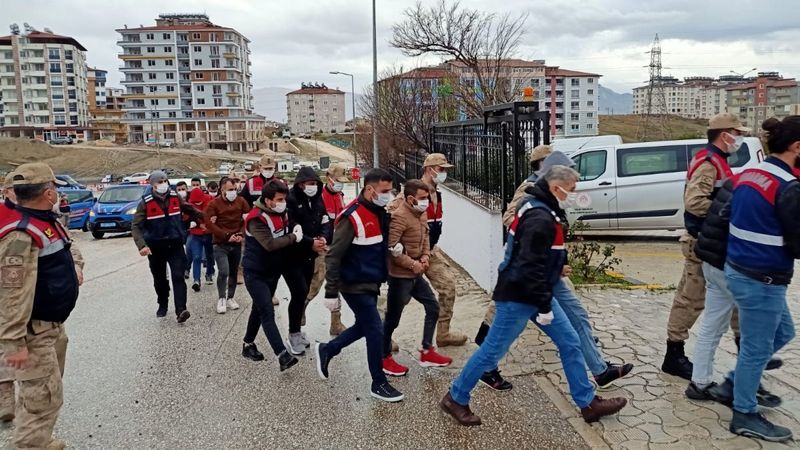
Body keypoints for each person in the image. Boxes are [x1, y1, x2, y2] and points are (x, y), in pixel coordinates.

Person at [440, 166, 627, 426]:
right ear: (555, 187)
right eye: (571, 189)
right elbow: (527, 266)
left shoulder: (537, 206)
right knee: (491, 353)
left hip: (536, 293)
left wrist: (553, 270)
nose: (573, 194)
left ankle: (587, 403)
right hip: (519, 297)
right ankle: (456, 397)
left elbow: (534, 255)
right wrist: (544, 305)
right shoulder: (540, 217)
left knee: (570, 342)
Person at [476, 151, 633, 392]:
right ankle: (482, 368)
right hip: (529, 268)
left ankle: (600, 370)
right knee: (503, 318)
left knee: (576, 314)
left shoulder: (556, 189)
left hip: (548, 270)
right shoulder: (529, 188)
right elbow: (510, 217)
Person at [713, 116, 800, 442]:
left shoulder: (752, 173)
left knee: (783, 332)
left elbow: (725, 215)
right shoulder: (787, 187)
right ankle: (745, 413)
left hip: (741, 270)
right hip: (762, 280)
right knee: (756, 348)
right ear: (797, 147)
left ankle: (733, 384)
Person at [0, 162, 85, 449]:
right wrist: (13, 343)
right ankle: (30, 445)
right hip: (34, 333)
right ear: (47, 193)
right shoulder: (21, 235)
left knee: (40, 393)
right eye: (54, 190)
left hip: (51, 328)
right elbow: (11, 293)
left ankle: (40, 440)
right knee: (42, 400)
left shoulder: (45, 221)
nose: (57, 196)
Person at [662, 113, 752, 380]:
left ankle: (746, 353)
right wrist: (729, 211)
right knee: (690, 300)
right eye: (738, 133)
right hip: (701, 243)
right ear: (725, 134)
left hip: (715, 243)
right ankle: (674, 355)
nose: (740, 138)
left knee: (734, 299)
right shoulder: (709, 162)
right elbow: (695, 202)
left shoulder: (719, 161)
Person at [688, 178, 782, 408]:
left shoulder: (745, 178)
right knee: (755, 330)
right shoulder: (771, 186)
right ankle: (747, 384)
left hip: (710, 259)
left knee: (712, 325)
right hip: (728, 264)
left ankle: (699, 383)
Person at [314, 168, 405, 403]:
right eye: (385, 191)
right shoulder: (351, 216)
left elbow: (376, 243)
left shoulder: (379, 212)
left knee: (365, 326)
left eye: (391, 190)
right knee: (375, 328)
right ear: (369, 189)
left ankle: (328, 349)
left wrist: (391, 249)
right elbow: (333, 255)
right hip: (353, 283)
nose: (389, 195)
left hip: (371, 280)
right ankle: (378, 382)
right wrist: (331, 291)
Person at [382, 180, 452, 377]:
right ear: (411, 198)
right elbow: (391, 248)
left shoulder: (421, 214)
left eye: (428, 198)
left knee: (433, 307)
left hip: (416, 275)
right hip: (400, 277)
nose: (426, 202)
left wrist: (425, 256)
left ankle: (427, 351)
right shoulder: (399, 217)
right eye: (422, 199)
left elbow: (426, 239)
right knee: (392, 319)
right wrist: (413, 264)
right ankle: (383, 356)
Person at [241, 179, 304, 371]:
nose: (283, 202)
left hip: (272, 271)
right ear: (268, 200)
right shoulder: (255, 218)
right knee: (267, 311)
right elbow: (269, 244)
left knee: (258, 309)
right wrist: (294, 237)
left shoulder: (281, 212)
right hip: (255, 272)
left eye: (284, 198)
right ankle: (282, 354)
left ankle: (247, 344)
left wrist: (297, 229)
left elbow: (286, 229)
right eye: (279, 199)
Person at [132, 171, 201, 321]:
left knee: (178, 276)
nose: (164, 184)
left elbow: (191, 210)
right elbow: (136, 226)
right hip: (155, 246)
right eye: (160, 181)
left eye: (165, 180)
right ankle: (162, 303)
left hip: (175, 244)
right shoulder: (145, 203)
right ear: (153, 184)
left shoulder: (175, 198)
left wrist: (198, 220)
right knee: (160, 279)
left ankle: (181, 310)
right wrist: (141, 245)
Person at [420, 153, 467, 347]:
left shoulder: (436, 192)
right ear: (429, 169)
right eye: (441, 170)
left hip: (431, 250)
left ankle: (443, 334)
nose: (444, 173)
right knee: (401, 297)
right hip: (413, 252)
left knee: (448, 287)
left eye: (445, 170)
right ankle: (385, 338)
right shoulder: (414, 191)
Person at [284, 166, 331, 355]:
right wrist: (310, 242)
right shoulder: (291, 200)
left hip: (311, 253)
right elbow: (291, 226)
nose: (313, 187)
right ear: (301, 184)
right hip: (293, 254)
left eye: (315, 184)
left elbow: (326, 221)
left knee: (302, 293)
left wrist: (323, 238)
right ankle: (293, 334)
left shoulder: (318, 200)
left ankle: (297, 330)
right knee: (299, 292)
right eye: (310, 184)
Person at [305, 162, 350, 335]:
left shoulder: (339, 195)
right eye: (337, 180)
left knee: (335, 284)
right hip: (323, 247)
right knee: (315, 285)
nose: (340, 184)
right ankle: (299, 310)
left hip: (338, 247)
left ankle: (336, 323)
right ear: (328, 179)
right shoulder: (319, 198)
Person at [205, 177, 251, 314]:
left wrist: (241, 235)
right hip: (220, 244)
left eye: (235, 189)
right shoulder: (214, 204)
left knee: (233, 272)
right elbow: (209, 224)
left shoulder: (241, 202)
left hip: (236, 243)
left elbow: (247, 220)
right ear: (222, 189)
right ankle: (221, 298)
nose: (233, 192)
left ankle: (230, 297)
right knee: (223, 271)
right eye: (230, 190)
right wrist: (226, 236)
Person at [187, 187, 215, 291]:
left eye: (199, 201)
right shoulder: (189, 204)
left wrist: (208, 225)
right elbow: (186, 217)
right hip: (195, 234)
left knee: (209, 255)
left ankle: (209, 273)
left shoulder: (210, 200)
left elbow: (214, 215)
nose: (197, 204)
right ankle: (196, 280)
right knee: (197, 257)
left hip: (208, 233)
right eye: (195, 202)